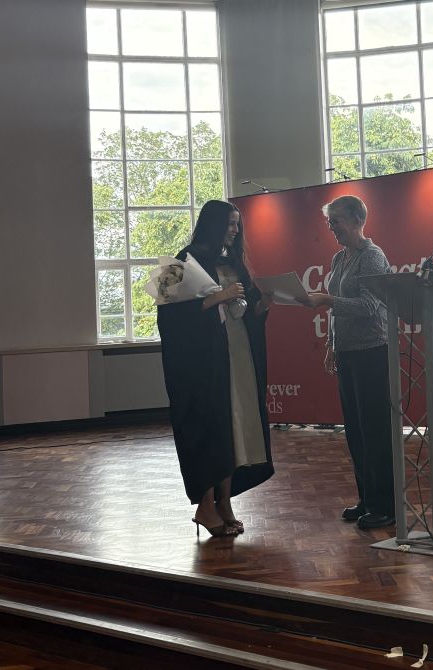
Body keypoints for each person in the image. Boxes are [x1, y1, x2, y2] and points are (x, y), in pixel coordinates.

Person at [157, 199, 274, 538]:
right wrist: (217, 297)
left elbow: (246, 310)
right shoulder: (181, 260)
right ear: (213, 224)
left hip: (236, 359)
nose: (236, 231)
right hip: (202, 365)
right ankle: (205, 504)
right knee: (211, 426)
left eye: (238, 225)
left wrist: (261, 306)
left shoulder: (234, 262)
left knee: (234, 426)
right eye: (231, 224)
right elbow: (167, 315)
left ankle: (225, 501)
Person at [297, 196, 395, 530]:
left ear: (355, 220)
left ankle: (386, 505)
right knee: (355, 430)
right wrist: (331, 343)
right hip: (348, 352)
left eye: (335, 220)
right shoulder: (339, 258)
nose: (331, 227)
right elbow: (340, 310)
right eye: (329, 222)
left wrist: (326, 299)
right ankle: (368, 498)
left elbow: (369, 306)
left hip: (372, 351)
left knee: (375, 431)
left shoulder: (372, 256)